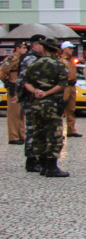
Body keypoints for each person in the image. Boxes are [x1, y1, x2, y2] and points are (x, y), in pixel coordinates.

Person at [21, 37, 70, 177]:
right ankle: (52, 167)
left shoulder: (33, 64)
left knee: (39, 134)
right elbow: (62, 85)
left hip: (36, 104)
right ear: (56, 50)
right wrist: (47, 93)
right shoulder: (58, 65)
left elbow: (26, 82)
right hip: (52, 104)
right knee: (54, 134)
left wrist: (36, 91)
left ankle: (42, 166)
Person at [16, 34, 48, 172]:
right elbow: (22, 80)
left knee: (39, 128)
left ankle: (38, 157)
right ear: (35, 45)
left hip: (38, 97)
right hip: (30, 98)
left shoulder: (41, 58)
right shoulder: (30, 59)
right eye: (42, 45)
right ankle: (31, 159)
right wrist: (20, 95)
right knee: (32, 128)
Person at [0, 41, 27, 145]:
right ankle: (13, 137)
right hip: (14, 87)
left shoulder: (22, 59)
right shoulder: (11, 59)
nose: (25, 50)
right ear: (17, 48)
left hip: (21, 87)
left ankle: (21, 135)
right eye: (23, 48)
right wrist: (8, 84)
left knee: (21, 113)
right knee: (13, 113)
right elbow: (2, 72)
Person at [59, 41, 82, 137]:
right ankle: (59, 130)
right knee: (61, 108)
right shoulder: (60, 61)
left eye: (72, 48)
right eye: (70, 48)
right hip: (64, 86)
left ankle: (71, 129)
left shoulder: (72, 60)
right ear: (64, 49)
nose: (72, 50)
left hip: (72, 85)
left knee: (71, 109)